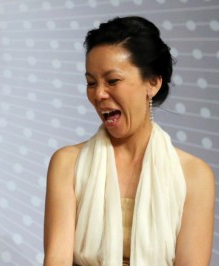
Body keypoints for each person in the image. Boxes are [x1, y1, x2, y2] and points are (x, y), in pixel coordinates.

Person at [44, 16, 215, 266]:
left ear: (153, 83)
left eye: (112, 81)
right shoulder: (68, 164)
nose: (99, 94)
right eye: (91, 83)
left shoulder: (194, 175)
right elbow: (56, 260)